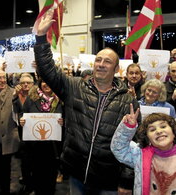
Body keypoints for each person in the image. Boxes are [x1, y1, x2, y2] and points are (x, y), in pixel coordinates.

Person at [34, 9, 140, 195]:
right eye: (98, 60)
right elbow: (47, 70)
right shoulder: (75, 87)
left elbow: (135, 143)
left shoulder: (128, 101)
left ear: (116, 69)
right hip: (76, 173)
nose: (100, 64)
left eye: (107, 62)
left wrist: (126, 180)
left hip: (109, 179)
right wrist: (41, 38)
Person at [111, 104, 176, 195]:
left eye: (163, 126)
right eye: (152, 130)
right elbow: (119, 148)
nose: (158, 131)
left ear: (173, 131)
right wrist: (128, 128)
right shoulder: (140, 155)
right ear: (148, 138)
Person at [19, 79, 64, 195]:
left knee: (50, 179)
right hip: (35, 147)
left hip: (53, 147)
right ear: (40, 83)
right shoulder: (32, 98)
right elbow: (23, 114)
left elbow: (69, 119)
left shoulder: (61, 100)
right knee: (37, 178)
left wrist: (64, 122)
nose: (47, 84)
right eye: (44, 81)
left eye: (50, 81)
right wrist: (22, 121)